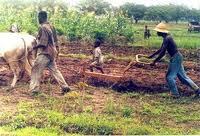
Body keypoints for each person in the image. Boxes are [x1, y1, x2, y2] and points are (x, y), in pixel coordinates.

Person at [149, 22, 200, 98]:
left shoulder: (167, 38)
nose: (156, 32)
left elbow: (163, 53)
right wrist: (151, 56)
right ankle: (197, 90)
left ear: (161, 32)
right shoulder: (166, 38)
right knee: (183, 77)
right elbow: (161, 49)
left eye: (157, 31)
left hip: (176, 58)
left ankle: (175, 95)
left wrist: (154, 61)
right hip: (177, 57)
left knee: (169, 77)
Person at [29, 11, 70, 95]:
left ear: (41, 17)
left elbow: (43, 44)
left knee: (35, 70)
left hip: (45, 53)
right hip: (52, 52)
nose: (38, 19)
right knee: (55, 70)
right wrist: (57, 50)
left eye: (38, 18)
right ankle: (65, 87)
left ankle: (34, 90)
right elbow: (55, 40)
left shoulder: (43, 27)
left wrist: (33, 48)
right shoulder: (51, 26)